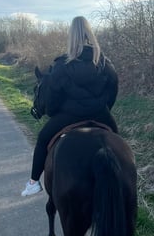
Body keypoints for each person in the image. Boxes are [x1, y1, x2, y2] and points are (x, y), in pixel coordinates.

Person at [21, 15, 119, 196]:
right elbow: (113, 90)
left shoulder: (62, 65)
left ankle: (33, 182)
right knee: (118, 144)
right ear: (91, 33)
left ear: (71, 36)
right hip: (100, 113)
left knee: (43, 138)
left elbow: (52, 98)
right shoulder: (105, 63)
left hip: (69, 115)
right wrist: (103, 108)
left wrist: (55, 112)